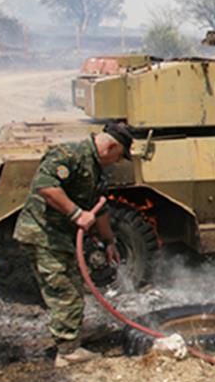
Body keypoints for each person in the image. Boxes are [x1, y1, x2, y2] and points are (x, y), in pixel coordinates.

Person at [13, 122, 133, 367]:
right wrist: (77, 214)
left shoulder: (96, 168)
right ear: (111, 146)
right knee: (64, 290)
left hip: (59, 237)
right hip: (42, 235)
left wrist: (109, 242)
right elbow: (45, 186)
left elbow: (101, 209)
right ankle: (67, 352)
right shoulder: (70, 155)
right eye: (118, 156)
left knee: (74, 286)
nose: (116, 161)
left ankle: (71, 333)